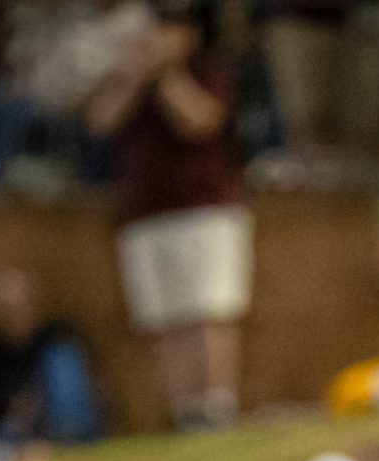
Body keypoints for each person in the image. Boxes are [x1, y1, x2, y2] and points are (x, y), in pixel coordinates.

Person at [87, 0, 249, 430]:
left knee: (209, 309)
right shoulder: (129, 75)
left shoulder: (206, 72)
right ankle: (184, 411)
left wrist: (164, 76)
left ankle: (217, 404)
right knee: (167, 317)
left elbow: (200, 120)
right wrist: (132, 75)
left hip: (203, 208)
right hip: (145, 211)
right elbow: (100, 121)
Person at [0, 268, 104, 445]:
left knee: (62, 358)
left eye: (19, 305)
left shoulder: (57, 338)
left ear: (34, 304)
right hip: (16, 430)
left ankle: (72, 436)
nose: (13, 314)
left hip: (59, 420)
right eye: (6, 308)